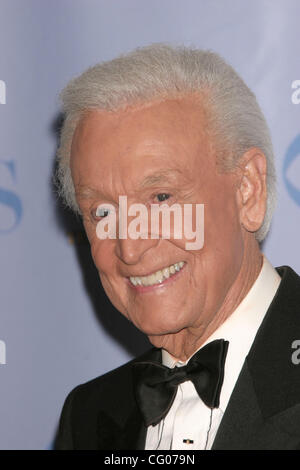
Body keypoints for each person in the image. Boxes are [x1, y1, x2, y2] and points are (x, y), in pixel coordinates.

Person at [54, 44, 300, 450]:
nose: (130, 248)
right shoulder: (89, 415)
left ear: (247, 191)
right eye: (101, 212)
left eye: (162, 198)